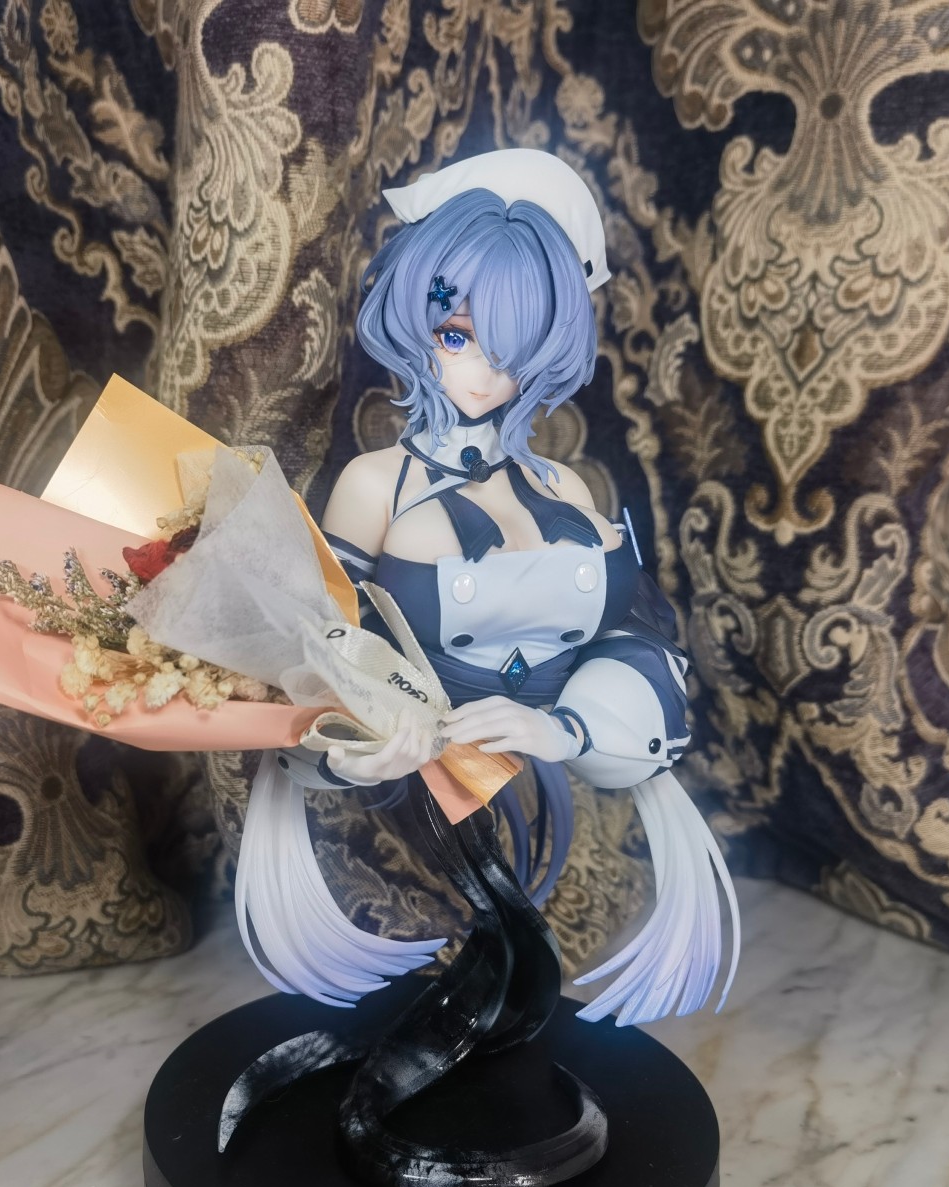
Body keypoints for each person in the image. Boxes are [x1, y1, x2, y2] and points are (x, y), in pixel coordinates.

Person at [242, 150, 739, 1028]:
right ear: (418, 324)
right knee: (443, 999)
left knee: (529, 989)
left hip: (550, 793)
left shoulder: (562, 487)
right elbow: (316, 643)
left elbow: (634, 638)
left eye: (512, 349)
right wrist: (364, 734)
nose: (481, 372)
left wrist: (564, 727)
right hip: (410, 807)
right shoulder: (377, 484)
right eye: (456, 336)